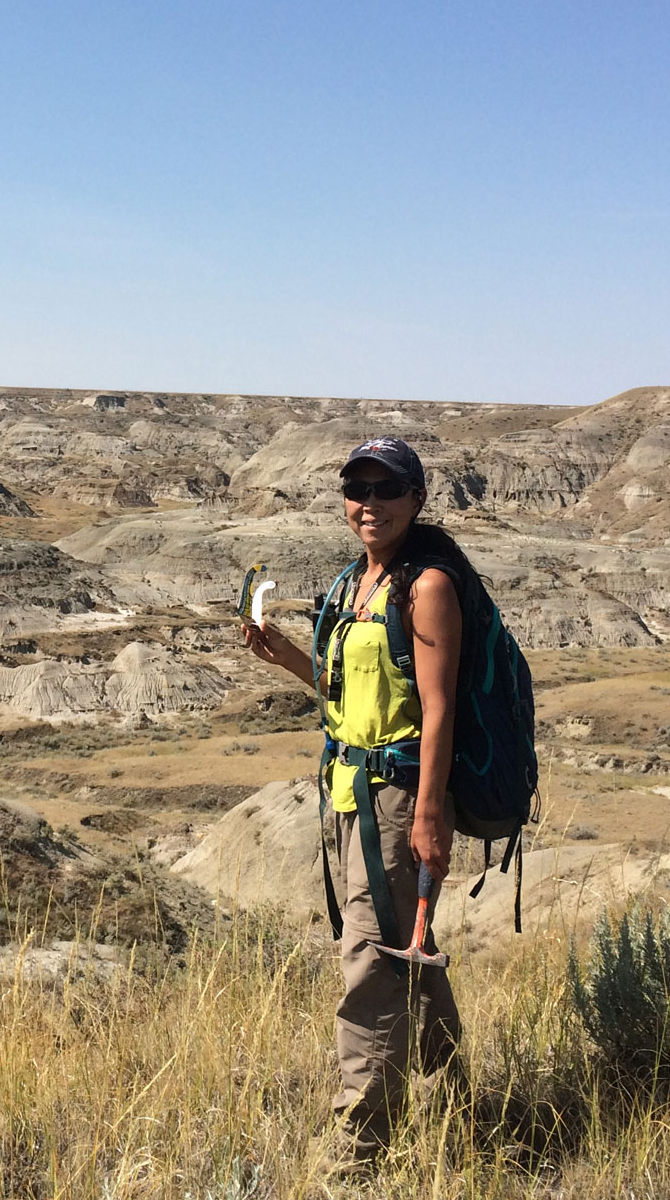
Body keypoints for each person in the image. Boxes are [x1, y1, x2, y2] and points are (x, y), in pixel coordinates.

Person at [240, 436, 464, 1163]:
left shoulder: (424, 586)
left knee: (367, 965)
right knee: (403, 946)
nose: (369, 502)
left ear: (416, 498)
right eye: (357, 488)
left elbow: (438, 709)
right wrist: (285, 656)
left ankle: (357, 1150)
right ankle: (457, 1096)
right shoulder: (351, 585)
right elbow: (345, 695)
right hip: (343, 796)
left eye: (386, 488)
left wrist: (430, 814)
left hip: (397, 802)